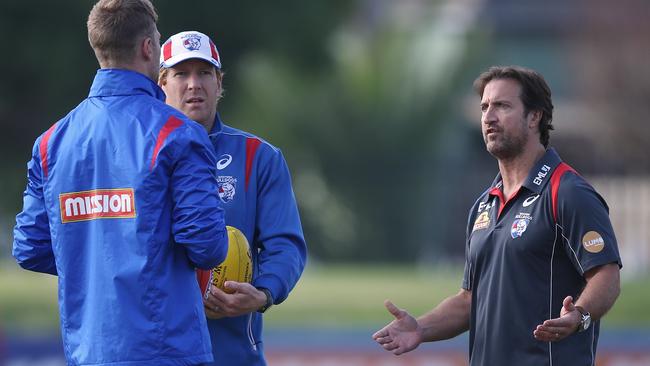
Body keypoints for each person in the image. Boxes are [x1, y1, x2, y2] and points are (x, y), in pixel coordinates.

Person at [12, 1, 228, 365]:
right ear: (147, 48)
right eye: (158, 41)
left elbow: (30, 247)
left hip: (88, 352)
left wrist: (97, 257)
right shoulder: (179, 135)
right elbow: (205, 245)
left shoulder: (51, 143)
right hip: (166, 350)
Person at [372, 65, 622, 365]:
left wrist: (579, 316)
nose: (489, 117)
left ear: (534, 117)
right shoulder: (484, 205)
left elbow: (606, 275)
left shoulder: (567, 192)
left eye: (502, 106)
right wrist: (421, 328)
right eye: (484, 107)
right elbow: (470, 301)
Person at [158, 31, 307, 366]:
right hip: (157, 350)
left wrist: (264, 292)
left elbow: (285, 244)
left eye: (205, 73)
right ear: (161, 84)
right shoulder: (138, 156)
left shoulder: (259, 156)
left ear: (220, 83)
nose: (194, 84)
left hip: (232, 353)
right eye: (181, 74)